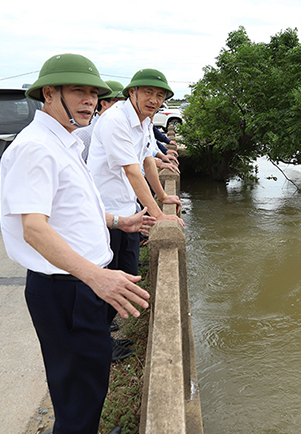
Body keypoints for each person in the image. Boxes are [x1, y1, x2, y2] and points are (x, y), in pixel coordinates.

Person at [0, 53, 155, 434]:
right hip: (65, 290)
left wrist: (122, 221)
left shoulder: (64, 142)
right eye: (77, 91)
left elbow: (73, 211)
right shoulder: (35, 147)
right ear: (48, 94)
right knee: (77, 392)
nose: (89, 100)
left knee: (91, 377)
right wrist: (97, 278)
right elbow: (34, 229)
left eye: (92, 93)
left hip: (78, 285)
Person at [87, 68, 184, 329]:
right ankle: (101, 335)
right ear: (133, 92)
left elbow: (146, 160)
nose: (154, 99)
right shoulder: (115, 120)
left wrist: (163, 196)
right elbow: (132, 171)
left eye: (160, 95)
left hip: (129, 209)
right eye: (148, 92)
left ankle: (106, 326)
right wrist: (159, 214)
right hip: (107, 213)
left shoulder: (145, 121)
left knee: (128, 273)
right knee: (106, 278)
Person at [76, 79, 126, 162]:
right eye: (118, 101)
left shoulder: (121, 129)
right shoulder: (86, 134)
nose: (123, 106)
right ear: (104, 104)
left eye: (125, 102)